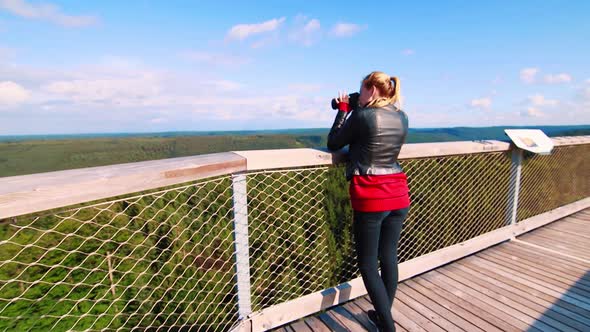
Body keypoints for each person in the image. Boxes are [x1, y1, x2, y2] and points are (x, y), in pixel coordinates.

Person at [327, 71, 410, 332]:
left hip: (371, 195)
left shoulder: (363, 115)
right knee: (388, 257)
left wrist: (343, 110)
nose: (358, 95)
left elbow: (334, 143)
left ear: (372, 90)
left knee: (367, 264)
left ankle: (387, 327)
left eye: (361, 90)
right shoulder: (401, 116)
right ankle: (382, 314)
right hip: (398, 193)